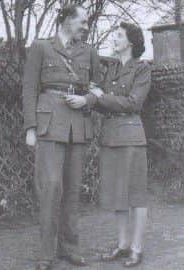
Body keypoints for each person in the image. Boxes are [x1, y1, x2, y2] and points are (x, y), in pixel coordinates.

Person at [22, 4, 100, 270]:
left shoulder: (89, 52)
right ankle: (46, 254)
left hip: (78, 127)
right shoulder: (41, 47)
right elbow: (29, 88)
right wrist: (31, 128)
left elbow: (98, 88)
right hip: (49, 126)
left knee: (72, 190)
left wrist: (86, 98)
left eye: (87, 22)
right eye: (82, 21)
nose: (85, 26)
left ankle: (70, 248)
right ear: (67, 19)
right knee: (51, 188)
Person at [89, 22, 151, 267]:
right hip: (110, 136)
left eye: (118, 36)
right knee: (118, 195)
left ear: (131, 42)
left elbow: (133, 103)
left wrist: (100, 96)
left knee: (135, 195)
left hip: (132, 138)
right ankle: (122, 245)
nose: (114, 39)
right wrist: (90, 97)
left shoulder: (142, 69)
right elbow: (101, 101)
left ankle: (136, 248)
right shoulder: (111, 68)